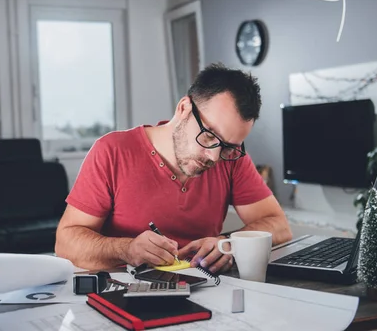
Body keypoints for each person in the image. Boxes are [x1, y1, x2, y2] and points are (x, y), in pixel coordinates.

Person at [55, 63, 292, 273]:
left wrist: (228, 242)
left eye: (228, 146)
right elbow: (65, 244)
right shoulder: (112, 151)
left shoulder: (232, 158)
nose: (214, 156)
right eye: (209, 136)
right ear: (184, 108)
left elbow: (279, 226)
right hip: (125, 293)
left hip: (207, 290)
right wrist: (126, 249)